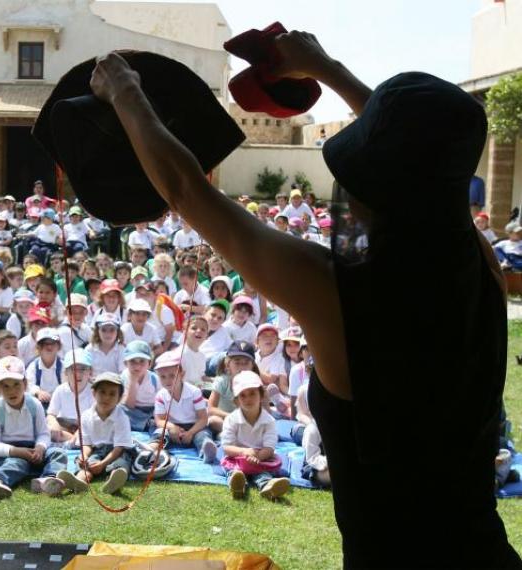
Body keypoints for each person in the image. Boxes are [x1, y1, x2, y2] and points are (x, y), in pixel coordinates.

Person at [89, 32, 519, 565]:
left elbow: (186, 190)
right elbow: (420, 160)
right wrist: (327, 68)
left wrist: (125, 90)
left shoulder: (340, 296)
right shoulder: (482, 266)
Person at [0, 356, 69, 500]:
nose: (12, 391)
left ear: (25, 384)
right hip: (7, 454)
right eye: (6, 386)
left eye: (16, 384)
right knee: (19, 463)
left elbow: (43, 433)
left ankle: (48, 479)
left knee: (58, 453)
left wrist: (40, 448)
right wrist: (18, 452)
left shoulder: (34, 405)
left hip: (32, 449)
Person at [57, 371, 132, 495]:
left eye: (112, 394)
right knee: (87, 464)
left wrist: (103, 464)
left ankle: (113, 481)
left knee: (121, 464)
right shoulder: (86, 416)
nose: (106, 397)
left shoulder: (121, 417)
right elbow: (86, 443)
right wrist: (84, 456)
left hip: (117, 452)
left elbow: (119, 448)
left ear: (119, 398)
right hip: (96, 451)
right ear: (94, 393)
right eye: (102, 392)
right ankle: (79, 481)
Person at [220, 371, 290, 500]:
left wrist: (256, 458)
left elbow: (269, 448)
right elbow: (227, 447)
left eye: (252, 393)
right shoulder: (231, 419)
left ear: (261, 395)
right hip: (237, 458)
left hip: (261, 459)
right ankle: (237, 485)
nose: (248, 399)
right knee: (235, 472)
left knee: (262, 473)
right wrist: (245, 452)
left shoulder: (269, 421)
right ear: (236, 400)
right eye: (243, 395)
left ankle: (267, 486)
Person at [150, 350, 217, 464]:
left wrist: (191, 432)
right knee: (161, 432)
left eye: (172, 375)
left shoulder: (194, 392)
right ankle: (153, 450)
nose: (167, 380)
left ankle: (206, 450)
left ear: (182, 374)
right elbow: (159, 419)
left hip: (194, 426)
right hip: (172, 427)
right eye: (163, 377)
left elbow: (203, 418)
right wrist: (172, 427)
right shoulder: (161, 395)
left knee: (202, 435)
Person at [46, 349, 94, 446]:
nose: (78, 374)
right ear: (66, 372)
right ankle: (72, 441)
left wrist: (78, 433)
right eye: (73, 369)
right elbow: (51, 414)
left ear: (90, 372)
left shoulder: (94, 392)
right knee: (48, 430)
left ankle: (73, 441)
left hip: (85, 428)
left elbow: (92, 420)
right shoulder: (60, 390)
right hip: (63, 427)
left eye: (83, 369)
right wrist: (55, 426)